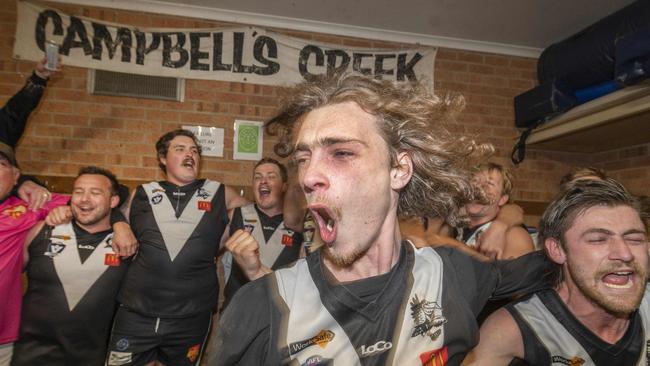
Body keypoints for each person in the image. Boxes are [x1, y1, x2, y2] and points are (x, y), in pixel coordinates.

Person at [208, 73, 550, 365]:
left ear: (399, 169)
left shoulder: (454, 274)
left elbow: (561, 260)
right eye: (302, 159)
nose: (309, 176)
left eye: (341, 153)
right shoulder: (261, 308)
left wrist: (510, 218)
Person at [464, 179, 650, 365]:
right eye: (598, 240)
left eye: (635, 239)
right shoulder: (514, 330)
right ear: (557, 250)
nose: (625, 254)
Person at [106, 129, 248, 366]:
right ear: (163, 158)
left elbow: (255, 213)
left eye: (194, 150)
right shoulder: (143, 192)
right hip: (137, 311)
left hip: (191, 315)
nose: (189, 155)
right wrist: (120, 224)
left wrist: (219, 241)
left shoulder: (219, 193)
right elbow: (108, 214)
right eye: (180, 149)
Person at [12, 166, 128, 365]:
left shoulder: (126, 244)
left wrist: (122, 224)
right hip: (30, 354)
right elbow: (8, 276)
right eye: (78, 192)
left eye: (95, 192)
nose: (84, 199)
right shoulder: (42, 230)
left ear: (114, 201)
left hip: (90, 357)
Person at [222, 158, 303, 308]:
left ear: (284, 186)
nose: (263, 181)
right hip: (236, 309)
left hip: (276, 309)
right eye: (257, 177)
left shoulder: (299, 225)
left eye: (271, 176)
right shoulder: (236, 215)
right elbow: (205, 249)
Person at [458, 162, 534, 259]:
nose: (479, 187)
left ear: (502, 199)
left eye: (490, 183)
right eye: (475, 180)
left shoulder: (514, 237)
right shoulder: (455, 226)